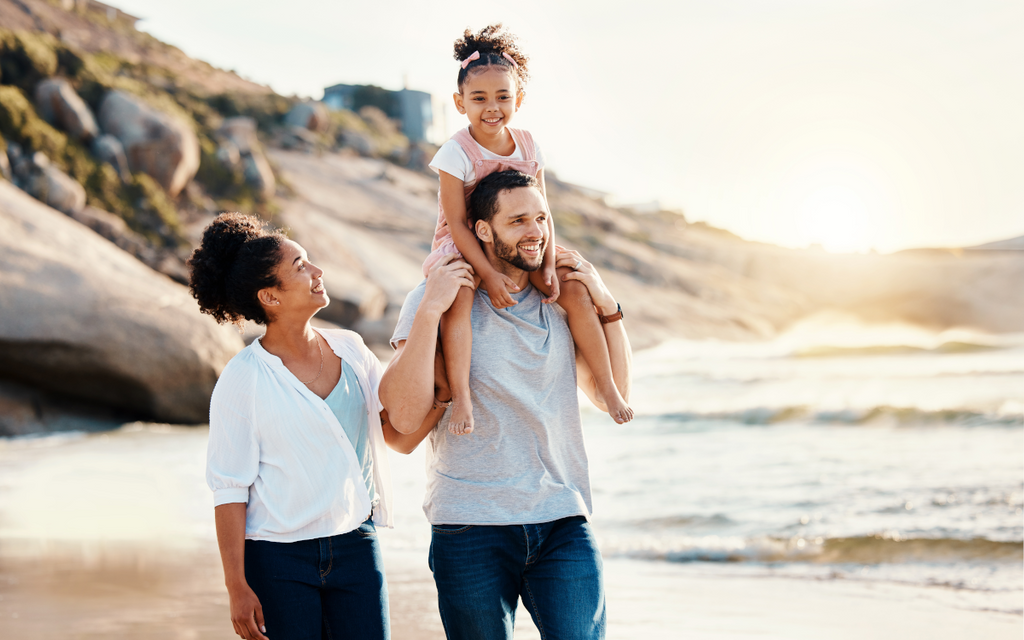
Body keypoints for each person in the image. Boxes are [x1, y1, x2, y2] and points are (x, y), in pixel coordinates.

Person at [381, 170, 633, 640]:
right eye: (517, 220)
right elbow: (402, 419)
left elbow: (610, 392)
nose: (535, 231)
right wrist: (429, 311)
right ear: (482, 229)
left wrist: (606, 303)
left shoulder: (560, 301)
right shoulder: (440, 295)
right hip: (470, 524)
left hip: (561, 517)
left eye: (540, 218)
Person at [187, 212, 451, 640]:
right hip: (277, 559)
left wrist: (442, 398)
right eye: (300, 267)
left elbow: (395, 438)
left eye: (309, 261)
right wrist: (236, 587)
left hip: (356, 545)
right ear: (270, 297)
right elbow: (230, 489)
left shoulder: (350, 349)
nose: (317, 271)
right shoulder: (244, 378)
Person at [423, 24, 633, 435]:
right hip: (466, 241)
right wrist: (488, 274)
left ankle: (607, 386)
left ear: (518, 99)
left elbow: (544, 211)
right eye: (479, 98)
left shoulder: (527, 144)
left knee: (573, 288)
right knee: (461, 300)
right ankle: (463, 398)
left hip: (520, 238)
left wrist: (550, 264)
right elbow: (455, 222)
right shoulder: (455, 152)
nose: (492, 107)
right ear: (459, 102)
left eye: (503, 97)